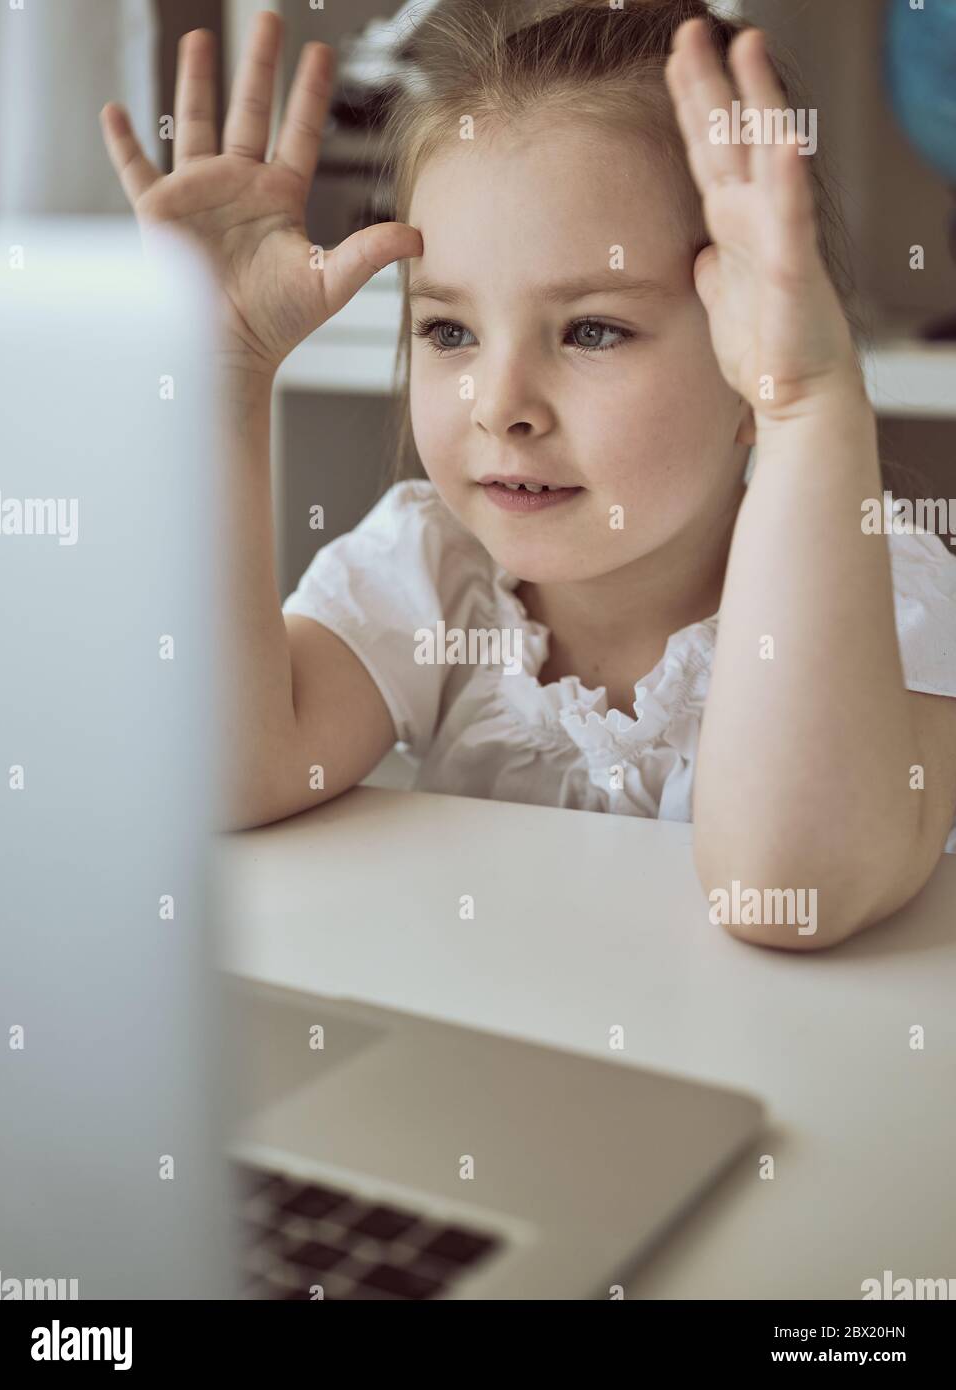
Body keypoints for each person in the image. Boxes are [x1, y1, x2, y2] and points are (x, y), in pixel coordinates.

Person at [100, 0, 956, 950]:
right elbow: (231, 774)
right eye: (448, 330)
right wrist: (219, 382)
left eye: (591, 330)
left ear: (750, 349)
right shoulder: (432, 568)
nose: (499, 403)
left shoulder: (881, 592)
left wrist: (807, 407)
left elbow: (782, 897)